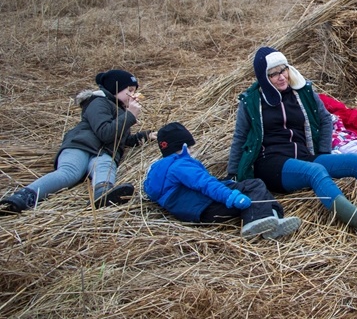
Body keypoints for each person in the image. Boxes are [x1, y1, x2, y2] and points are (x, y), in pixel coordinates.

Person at [227, 46, 357, 237]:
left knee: (353, 161)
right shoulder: (252, 103)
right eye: (273, 74)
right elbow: (239, 138)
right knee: (315, 172)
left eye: (284, 70)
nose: (281, 77)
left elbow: (326, 119)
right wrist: (233, 175)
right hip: (272, 163)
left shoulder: (303, 92)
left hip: (304, 155)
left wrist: (323, 152)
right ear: (264, 78)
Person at [0, 69, 155, 214]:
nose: (133, 95)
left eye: (134, 91)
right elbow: (105, 133)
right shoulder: (98, 103)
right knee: (69, 173)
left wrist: (145, 136)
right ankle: (24, 196)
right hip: (81, 146)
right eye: (129, 91)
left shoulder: (121, 111)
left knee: (105, 167)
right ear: (114, 89)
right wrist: (130, 116)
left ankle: (103, 194)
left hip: (104, 152)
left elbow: (122, 138)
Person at [144, 122, 300, 240]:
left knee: (249, 187)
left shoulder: (159, 170)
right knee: (255, 185)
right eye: (190, 148)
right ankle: (254, 222)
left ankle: (274, 220)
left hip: (195, 211)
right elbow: (205, 184)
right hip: (206, 210)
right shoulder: (181, 165)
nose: (192, 152)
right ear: (183, 147)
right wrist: (230, 196)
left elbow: (187, 191)